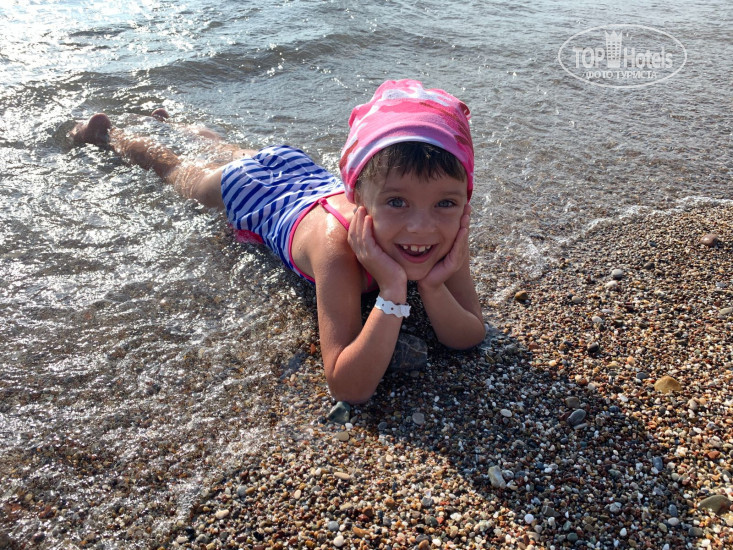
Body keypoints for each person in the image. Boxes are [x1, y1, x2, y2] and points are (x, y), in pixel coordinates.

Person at [71, 79, 486, 403]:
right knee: (181, 174)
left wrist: (433, 285)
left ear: (463, 201)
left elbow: (470, 334)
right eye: (397, 202)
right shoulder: (337, 249)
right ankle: (110, 135)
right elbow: (347, 386)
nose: (420, 227)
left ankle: (175, 126)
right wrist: (394, 291)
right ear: (359, 199)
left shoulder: (441, 234)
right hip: (252, 189)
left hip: (297, 169)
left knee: (233, 150)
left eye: (445, 202)